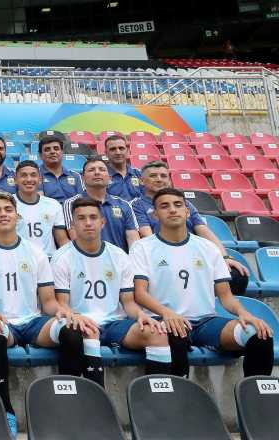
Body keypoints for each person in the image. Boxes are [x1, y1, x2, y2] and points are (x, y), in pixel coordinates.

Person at [0, 191, 91, 437]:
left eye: (8, 210)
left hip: (32, 322)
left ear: (17, 215)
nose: (3, 214)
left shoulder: (35, 253)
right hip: (2, 322)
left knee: (73, 333)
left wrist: (67, 313)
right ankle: (5, 410)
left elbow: (48, 302)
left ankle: (64, 406)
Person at [131, 188, 274, 378]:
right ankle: (178, 399)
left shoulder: (208, 248)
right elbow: (140, 293)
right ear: (155, 215)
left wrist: (244, 313)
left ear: (187, 211)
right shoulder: (143, 247)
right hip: (163, 321)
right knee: (175, 334)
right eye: (164, 206)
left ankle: (257, 399)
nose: (172, 210)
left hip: (205, 322)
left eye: (178, 205)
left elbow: (226, 296)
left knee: (260, 334)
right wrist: (166, 313)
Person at [52, 197, 173, 379]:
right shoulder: (61, 257)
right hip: (83, 322)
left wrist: (141, 315)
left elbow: (128, 302)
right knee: (88, 331)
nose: (88, 223)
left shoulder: (119, 255)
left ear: (102, 222)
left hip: (115, 323)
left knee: (157, 333)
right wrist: (77, 317)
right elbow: (62, 304)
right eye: (81, 218)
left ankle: (157, 398)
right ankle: (96, 399)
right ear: (73, 225)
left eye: (93, 217)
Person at [128, 160, 250, 294]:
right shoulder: (136, 205)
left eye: (163, 176)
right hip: (163, 257)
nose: (159, 179)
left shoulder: (185, 203)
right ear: (142, 181)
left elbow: (203, 230)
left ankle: (225, 309)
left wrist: (225, 258)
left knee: (236, 275)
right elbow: (147, 236)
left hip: (193, 254)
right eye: (153, 176)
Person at [62, 157, 139, 252]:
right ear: (83, 178)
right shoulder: (71, 203)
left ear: (109, 177)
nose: (97, 173)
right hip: (87, 261)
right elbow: (76, 237)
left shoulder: (124, 204)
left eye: (102, 169)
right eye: (91, 170)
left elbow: (133, 241)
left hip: (120, 263)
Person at [14, 160, 68, 256]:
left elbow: (62, 240)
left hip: (48, 261)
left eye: (33, 175)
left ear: (40, 179)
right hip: (19, 260)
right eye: (24, 175)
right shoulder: (7, 204)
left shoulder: (53, 205)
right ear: (15, 180)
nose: (29, 179)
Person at [36, 136, 84, 203]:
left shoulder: (76, 176)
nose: (52, 152)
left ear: (62, 153)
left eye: (56, 149)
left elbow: (82, 200)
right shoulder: (35, 176)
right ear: (40, 155)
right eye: (47, 149)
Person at [104, 135, 142, 201]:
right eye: (113, 149)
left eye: (121, 148)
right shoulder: (101, 176)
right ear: (106, 153)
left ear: (127, 151)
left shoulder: (139, 174)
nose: (118, 152)